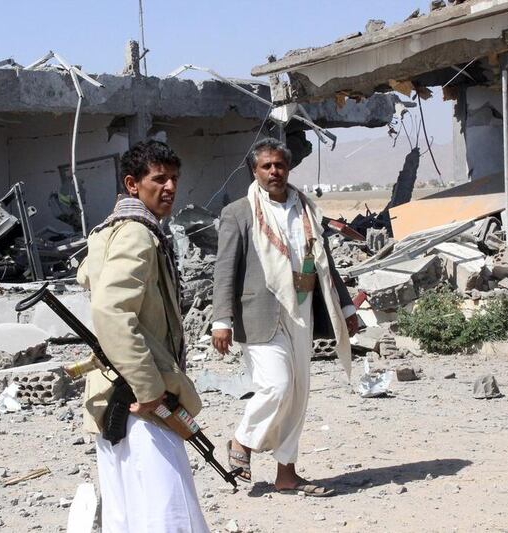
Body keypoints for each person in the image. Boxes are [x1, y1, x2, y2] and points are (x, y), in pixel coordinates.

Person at [211, 137, 359, 496]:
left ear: (288, 168)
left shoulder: (305, 208)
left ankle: (287, 474)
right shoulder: (239, 213)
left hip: (302, 309)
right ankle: (242, 441)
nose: (274, 171)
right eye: (267, 166)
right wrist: (221, 320)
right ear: (254, 170)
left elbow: (325, 262)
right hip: (258, 313)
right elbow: (225, 269)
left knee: (297, 393)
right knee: (276, 386)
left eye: (279, 165)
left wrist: (346, 306)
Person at [77, 140, 209, 532]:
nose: (169, 187)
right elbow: (112, 310)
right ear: (132, 184)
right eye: (159, 179)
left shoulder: (111, 231)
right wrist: (150, 388)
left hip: (119, 394)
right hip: (141, 399)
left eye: (174, 179)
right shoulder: (136, 234)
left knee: (128, 514)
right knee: (169, 514)